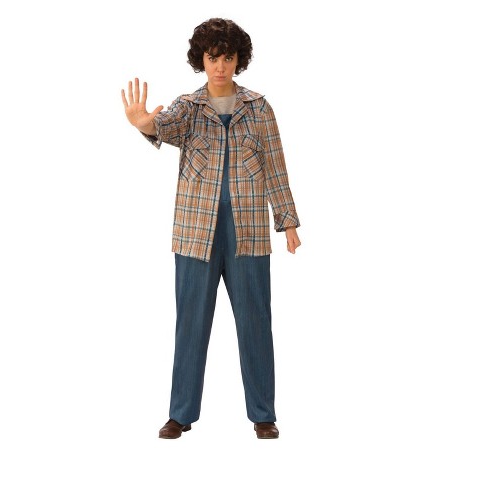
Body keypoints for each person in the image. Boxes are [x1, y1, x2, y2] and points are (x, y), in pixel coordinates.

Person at [121, 17, 301, 440]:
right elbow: (163, 127)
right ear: (201, 60)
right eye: (212, 57)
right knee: (191, 323)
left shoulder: (259, 108)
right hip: (195, 234)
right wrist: (142, 122)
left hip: (248, 232)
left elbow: (275, 165)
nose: (220, 66)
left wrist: (288, 221)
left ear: (239, 60)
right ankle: (180, 414)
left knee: (256, 322)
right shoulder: (188, 107)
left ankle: (263, 414)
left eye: (228, 57)